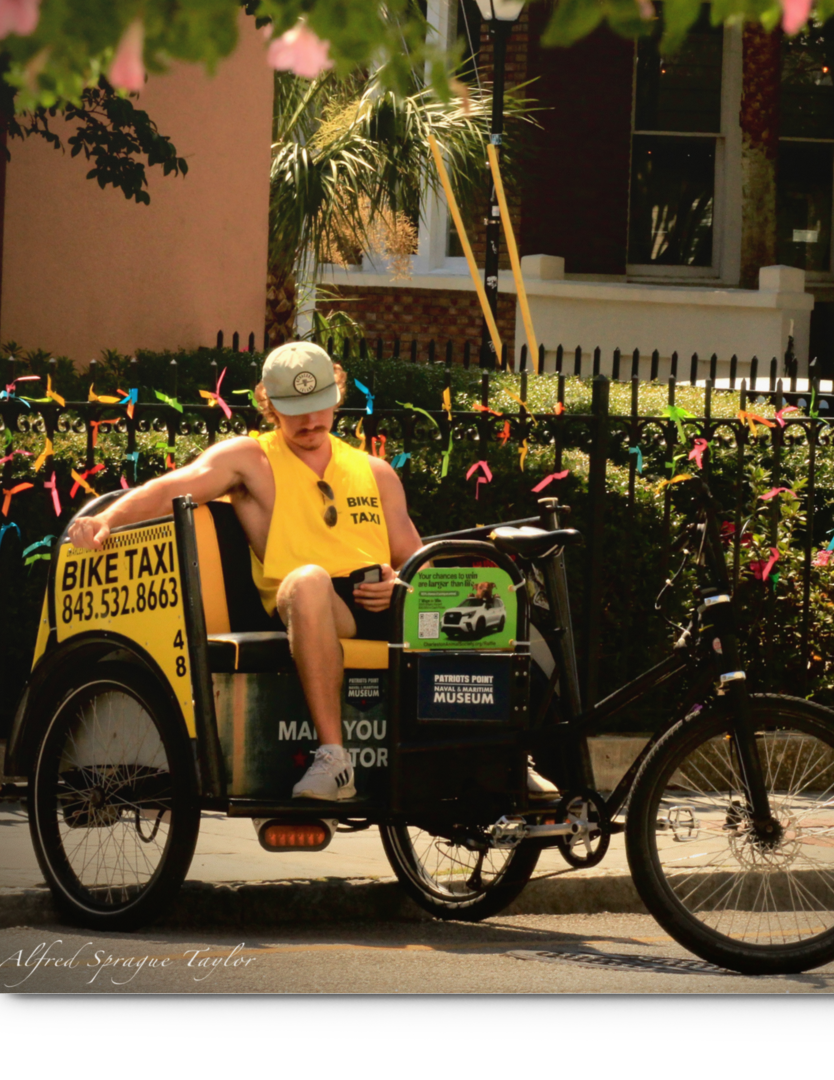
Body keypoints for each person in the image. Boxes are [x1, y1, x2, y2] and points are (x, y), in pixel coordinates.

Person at [65, 341, 554, 806]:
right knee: (308, 579)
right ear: (269, 405)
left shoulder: (375, 471)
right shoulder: (249, 457)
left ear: (338, 395)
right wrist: (105, 520)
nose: (310, 419)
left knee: (478, 596)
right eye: (293, 407)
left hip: (383, 601)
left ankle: (507, 755)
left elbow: (413, 559)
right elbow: (174, 485)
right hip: (309, 603)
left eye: (320, 403)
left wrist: (397, 583)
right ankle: (333, 759)